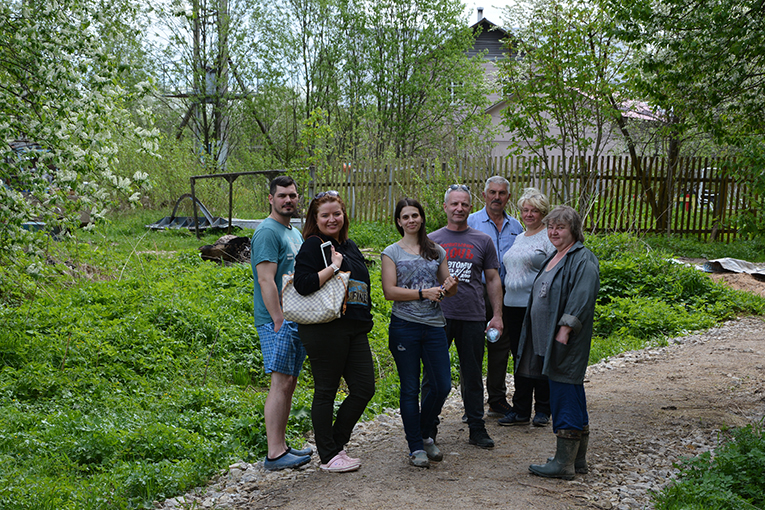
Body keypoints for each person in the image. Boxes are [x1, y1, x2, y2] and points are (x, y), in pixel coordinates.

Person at [293, 190, 375, 473]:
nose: (332, 219)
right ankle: (328, 456)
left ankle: (335, 445)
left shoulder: (348, 245)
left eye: (336, 214)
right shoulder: (314, 245)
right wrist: (334, 267)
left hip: (354, 328)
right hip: (325, 329)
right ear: (315, 219)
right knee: (326, 391)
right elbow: (302, 284)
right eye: (325, 215)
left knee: (365, 388)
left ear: (344, 215)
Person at [518, 205, 599, 480]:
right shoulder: (555, 255)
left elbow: (583, 296)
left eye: (560, 227)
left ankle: (563, 463)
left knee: (564, 395)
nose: (553, 231)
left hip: (565, 343)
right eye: (551, 226)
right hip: (547, 341)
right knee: (572, 394)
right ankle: (577, 460)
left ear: (573, 230)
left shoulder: (582, 259)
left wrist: (565, 329)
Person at [381, 198, 458, 468]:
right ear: (399, 221)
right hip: (405, 326)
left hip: (435, 325)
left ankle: (426, 433)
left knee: (442, 385)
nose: (411, 220)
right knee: (410, 388)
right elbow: (389, 291)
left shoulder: (436, 251)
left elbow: (449, 289)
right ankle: (416, 446)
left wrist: (449, 285)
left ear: (422, 218)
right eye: (405, 216)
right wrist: (422, 293)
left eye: (415, 215)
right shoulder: (391, 252)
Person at [429, 184, 503, 449]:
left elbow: (493, 279)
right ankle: (428, 428)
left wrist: (497, 315)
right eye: (454, 204)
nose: (459, 208)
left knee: (472, 375)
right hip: (438, 318)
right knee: (434, 376)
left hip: (472, 316)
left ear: (470, 208)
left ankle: (477, 427)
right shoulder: (431, 240)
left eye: (464, 204)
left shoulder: (482, 240)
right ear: (446, 207)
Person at [251, 176, 313, 471]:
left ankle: (282, 445)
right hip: (277, 320)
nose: (288, 200)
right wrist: (277, 318)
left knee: (289, 381)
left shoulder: (294, 232)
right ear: (271, 199)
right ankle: (274, 453)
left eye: (293, 195)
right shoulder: (266, 232)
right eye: (282, 196)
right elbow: (266, 279)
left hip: (295, 317)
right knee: (280, 382)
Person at [498, 188, 556, 427]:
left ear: (543, 213)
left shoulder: (548, 237)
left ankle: (543, 408)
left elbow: (555, 272)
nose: (529, 214)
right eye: (525, 210)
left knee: (539, 355)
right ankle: (521, 409)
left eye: (535, 210)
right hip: (511, 304)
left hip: (536, 306)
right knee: (519, 357)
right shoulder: (520, 237)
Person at [467, 176, 524, 418]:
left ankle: (497, 400)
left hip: (505, 293)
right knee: (471, 349)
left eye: (502, 193)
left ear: (508, 197)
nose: (497, 197)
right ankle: (471, 403)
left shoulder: (516, 227)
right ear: (484, 195)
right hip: (475, 292)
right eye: (492, 192)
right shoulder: (471, 221)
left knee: (500, 347)